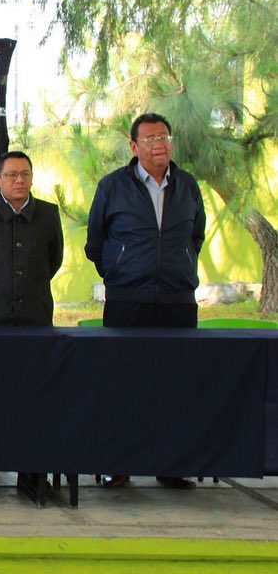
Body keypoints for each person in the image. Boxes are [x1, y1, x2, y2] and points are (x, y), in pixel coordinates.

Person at [85, 112, 206, 490]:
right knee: (121, 385)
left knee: (175, 385)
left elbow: (195, 238)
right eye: (150, 138)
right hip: (127, 302)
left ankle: (171, 466)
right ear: (134, 146)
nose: (159, 144)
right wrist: (121, 273)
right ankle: (116, 465)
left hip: (177, 302)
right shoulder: (112, 186)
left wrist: (179, 269)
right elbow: (95, 243)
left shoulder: (188, 186)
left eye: (164, 137)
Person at [0, 150, 63, 487]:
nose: (20, 181)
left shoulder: (47, 214)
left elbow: (53, 261)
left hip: (35, 319)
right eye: (13, 175)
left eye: (26, 174)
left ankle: (30, 470)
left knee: (34, 397)